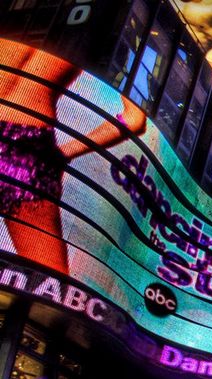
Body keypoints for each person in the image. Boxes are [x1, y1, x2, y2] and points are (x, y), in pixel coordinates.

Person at [0, 39, 147, 275]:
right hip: (30, 152)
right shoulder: (108, 32)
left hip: (29, 144)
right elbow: (135, 119)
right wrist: (64, 153)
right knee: (49, 281)